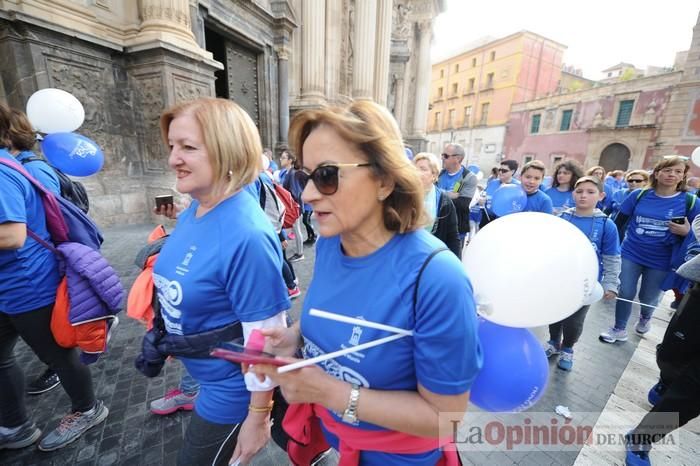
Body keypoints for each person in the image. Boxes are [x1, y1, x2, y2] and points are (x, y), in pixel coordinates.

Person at [250, 100, 482, 465]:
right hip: (335, 437)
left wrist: (331, 393)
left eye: (327, 175)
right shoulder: (330, 243)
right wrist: (295, 335)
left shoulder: (438, 278)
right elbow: (339, 309)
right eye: (306, 175)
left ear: (385, 179)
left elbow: (445, 418)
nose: (308, 194)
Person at [153, 97, 291, 465]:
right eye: (171, 146)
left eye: (188, 147)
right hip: (202, 375)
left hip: (229, 393)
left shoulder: (246, 235)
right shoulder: (197, 208)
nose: (173, 159)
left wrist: (258, 417)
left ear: (226, 150)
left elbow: (264, 339)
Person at [0, 104, 108, 451]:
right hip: (11, 286)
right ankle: (14, 425)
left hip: (28, 285)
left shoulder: (4, 171)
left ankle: (88, 409)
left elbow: (13, 235)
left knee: (60, 356)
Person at [600, 156, 700, 343]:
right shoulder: (639, 195)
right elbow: (618, 223)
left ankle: (645, 316)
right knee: (626, 291)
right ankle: (619, 328)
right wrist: (609, 250)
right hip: (631, 252)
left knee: (648, 296)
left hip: (662, 259)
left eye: (678, 171)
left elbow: (698, 234)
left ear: (683, 176)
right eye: (668, 170)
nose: (672, 175)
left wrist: (687, 231)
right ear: (657, 173)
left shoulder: (690, 201)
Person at [5, 107, 63, 395]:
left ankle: (86, 404)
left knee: (57, 350)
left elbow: (53, 214)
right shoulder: (17, 166)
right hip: (20, 274)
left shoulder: (29, 168)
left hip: (30, 272)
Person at [545, 176, 621, 370]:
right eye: (579, 191)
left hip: (587, 284)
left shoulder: (607, 225)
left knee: (574, 321)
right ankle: (554, 342)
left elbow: (612, 257)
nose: (583, 196)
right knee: (555, 313)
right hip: (559, 279)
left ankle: (568, 348)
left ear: (601, 196)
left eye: (590, 192)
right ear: (573, 194)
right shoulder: (562, 218)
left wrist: (611, 283)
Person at [414, 152, 461, 257]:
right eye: (414, 169)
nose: (416, 173)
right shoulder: (403, 197)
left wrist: (455, 266)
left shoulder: (444, 202)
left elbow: (453, 237)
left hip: (432, 258)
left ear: (434, 175)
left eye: (423, 169)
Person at [436, 143, 477, 253]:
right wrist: (448, 194)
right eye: (442, 155)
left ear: (458, 158)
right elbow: (430, 194)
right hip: (437, 226)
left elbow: (462, 204)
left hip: (457, 229)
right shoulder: (439, 174)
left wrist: (438, 195)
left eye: (445, 156)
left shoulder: (469, 177)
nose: (442, 158)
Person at [480, 159, 520, 227]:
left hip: (504, 222)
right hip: (486, 218)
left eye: (504, 171)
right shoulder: (493, 182)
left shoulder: (517, 187)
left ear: (512, 172)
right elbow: (484, 195)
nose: (500, 172)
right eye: (500, 170)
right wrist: (482, 200)